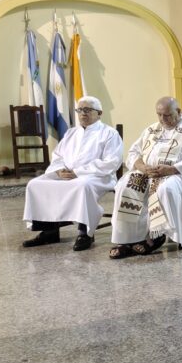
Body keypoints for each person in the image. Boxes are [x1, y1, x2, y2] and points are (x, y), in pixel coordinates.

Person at [109, 97, 182, 258]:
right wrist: (142, 167)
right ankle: (127, 239)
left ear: (178, 111)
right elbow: (133, 152)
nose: (163, 119)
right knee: (125, 185)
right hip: (148, 172)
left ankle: (158, 234)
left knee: (165, 188)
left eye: (167, 115)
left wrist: (171, 169)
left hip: (178, 174)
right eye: (159, 115)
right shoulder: (152, 129)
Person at [22, 96, 123, 251]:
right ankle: (49, 231)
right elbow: (58, 156)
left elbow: (111, 162)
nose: (83, 113)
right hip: (67, 175)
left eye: (88, 110)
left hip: (96, 176)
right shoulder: (71, 133)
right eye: (80, 110)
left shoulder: (109, 133)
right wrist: (60, 171)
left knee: (82, 186)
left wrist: (78, 172)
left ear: (99, 112)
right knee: (35, 184)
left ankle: (85, 233)